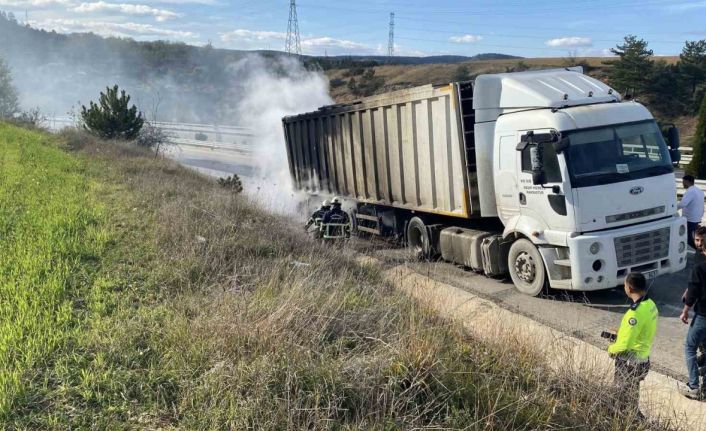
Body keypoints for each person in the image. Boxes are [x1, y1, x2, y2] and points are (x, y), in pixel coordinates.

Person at [608, 272, 657, 414]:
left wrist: (611, 348)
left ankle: (626, 419)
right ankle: (633, 415)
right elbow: (642, 328)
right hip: (643, 359)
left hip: (630, 362)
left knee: (620, 396)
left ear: (629, 288)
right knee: (632, 392)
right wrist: (622, 331)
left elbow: (624, 345)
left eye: (624, 284)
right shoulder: (650, 304)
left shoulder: (634, 314)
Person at [680, 229, 706, 399]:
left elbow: (694, 290)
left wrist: (685, 309)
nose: (699, 244)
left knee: (690, 347)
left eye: (701, 240)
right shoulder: (699, 259)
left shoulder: (700, 266)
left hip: (703, 314)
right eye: (697, 240)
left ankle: (694, 386)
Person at [678, 175, 704, 249]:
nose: (682, 184)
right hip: (696, 218)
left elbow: (682, 204)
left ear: (687, 181)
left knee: (689, 238)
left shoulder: (690, 191)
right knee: (693, 236)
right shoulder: (699, 191)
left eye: (683, 182)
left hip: (689, 219)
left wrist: (673, 209)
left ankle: (694, 254)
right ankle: (697, 251)